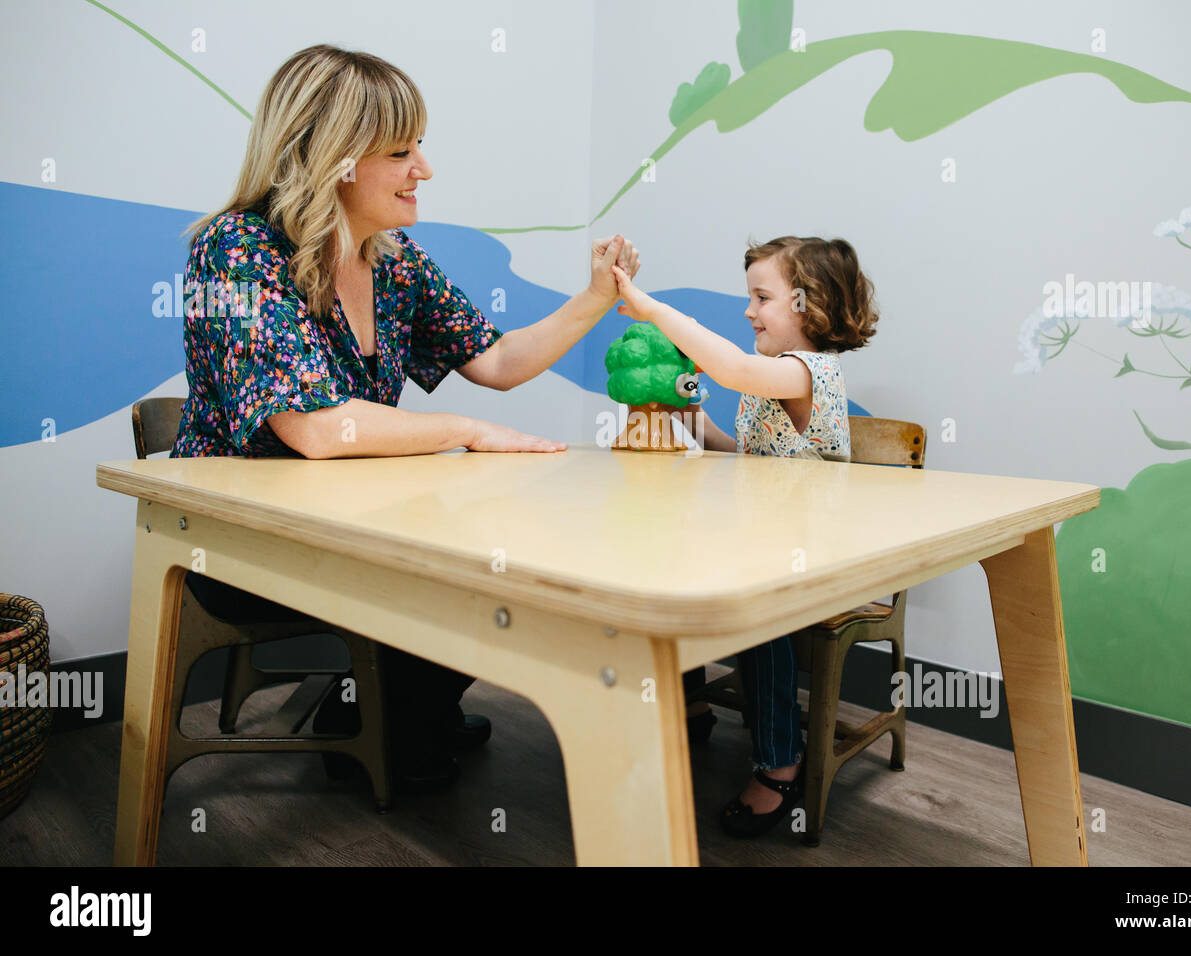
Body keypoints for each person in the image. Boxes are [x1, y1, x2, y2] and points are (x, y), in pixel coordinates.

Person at [171, 44, 640, 791]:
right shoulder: (236, 248)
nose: (424, 167)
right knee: (458, 568)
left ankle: (387, 714)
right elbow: (316, 427)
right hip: (242, 545)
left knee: (497, 554)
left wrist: (594, 297)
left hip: (358, 522)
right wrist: (465, 430)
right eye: (401, 150)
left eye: (419, 145)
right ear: (333, 157)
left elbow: (498, 363)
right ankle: (383, 720)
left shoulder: (395, 263)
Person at [609, 236, 878, 835]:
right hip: (763, 542)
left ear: (809, 305)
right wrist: (696, 424)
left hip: (810, 556)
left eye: (762, 297)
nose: (750, 310)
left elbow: (729, 366)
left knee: (762, 623)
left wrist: (652, 309)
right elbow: (753, 455)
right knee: (668, 573)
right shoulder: (773, 383)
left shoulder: (809, 373)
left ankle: (779, 762)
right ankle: (689, 704)